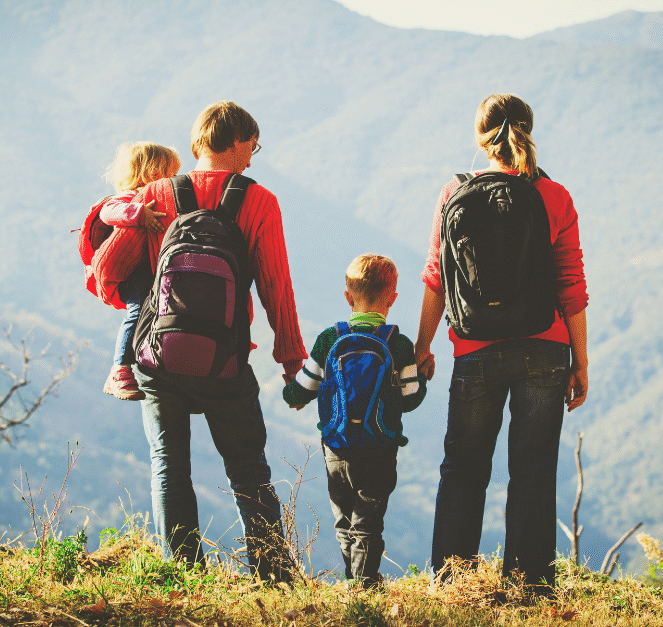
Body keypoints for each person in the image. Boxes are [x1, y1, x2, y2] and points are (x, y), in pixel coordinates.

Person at [415, 94, 589, 595]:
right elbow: (570, 285)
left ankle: (452, 582)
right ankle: (530, 586)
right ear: (529, 131)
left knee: (464, 467)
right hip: (545, 348)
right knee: (533, 470)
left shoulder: (454, 191)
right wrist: (580, 361)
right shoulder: (554, 195)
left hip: (474, 349)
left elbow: (436, 277)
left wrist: (423, 347)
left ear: (480, 137)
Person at [129, 101, 308, 582]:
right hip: (225, 361)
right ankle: (273, 576)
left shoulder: (156, 195)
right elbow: (276, 284)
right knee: (249, 468)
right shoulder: (259, 201)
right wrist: (291, 357)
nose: (253, 156)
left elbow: (123, 275)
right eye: (252, 145)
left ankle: (183, 576)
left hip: (160, 359)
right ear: (235, 142)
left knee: (169, 466)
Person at [282, 254, 426, 588]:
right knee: (369, 523)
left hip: (337, 449)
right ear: (392, 299)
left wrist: (295, 398)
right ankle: (364, 586)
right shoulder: (399, 345)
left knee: (344, 521)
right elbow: (411, 398)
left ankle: (355, 580)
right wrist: (423, 375)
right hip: (380, 448)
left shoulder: (329, 340)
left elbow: (300, 392)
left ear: (348, 297)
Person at [84, 141, 180, 400]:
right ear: (151, 173)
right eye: (169, 174)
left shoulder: (157, 198)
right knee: (136, 312)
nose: (172, 181)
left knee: (151, 313)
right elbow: (108, 212)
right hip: (132, 272)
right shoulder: (130, 197)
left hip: (149, 269)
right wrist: (139, 214)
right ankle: (119, 370)